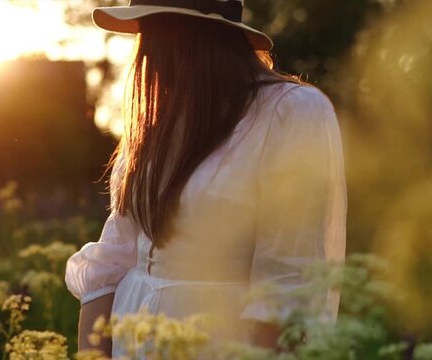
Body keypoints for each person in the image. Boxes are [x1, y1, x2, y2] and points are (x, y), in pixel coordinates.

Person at [65, 0, 347, 357]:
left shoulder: (290, 111)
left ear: (189, 37)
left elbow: (285, 285)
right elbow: (111, 262)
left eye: (155, 37)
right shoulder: (160, 122)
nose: (146, 56)